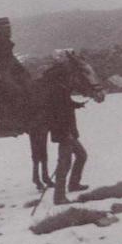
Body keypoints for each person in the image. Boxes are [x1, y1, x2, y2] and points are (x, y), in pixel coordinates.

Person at [48, 52, 89, 205]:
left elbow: (65, 104)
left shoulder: (61, 87)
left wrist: (76, 104)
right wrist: (66, 133)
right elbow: (57, 111)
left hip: (68, 130)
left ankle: (73, 184)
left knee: (81, 156)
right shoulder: (57, 89)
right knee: (64, 162)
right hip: (64, 132)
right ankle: (59, 197)